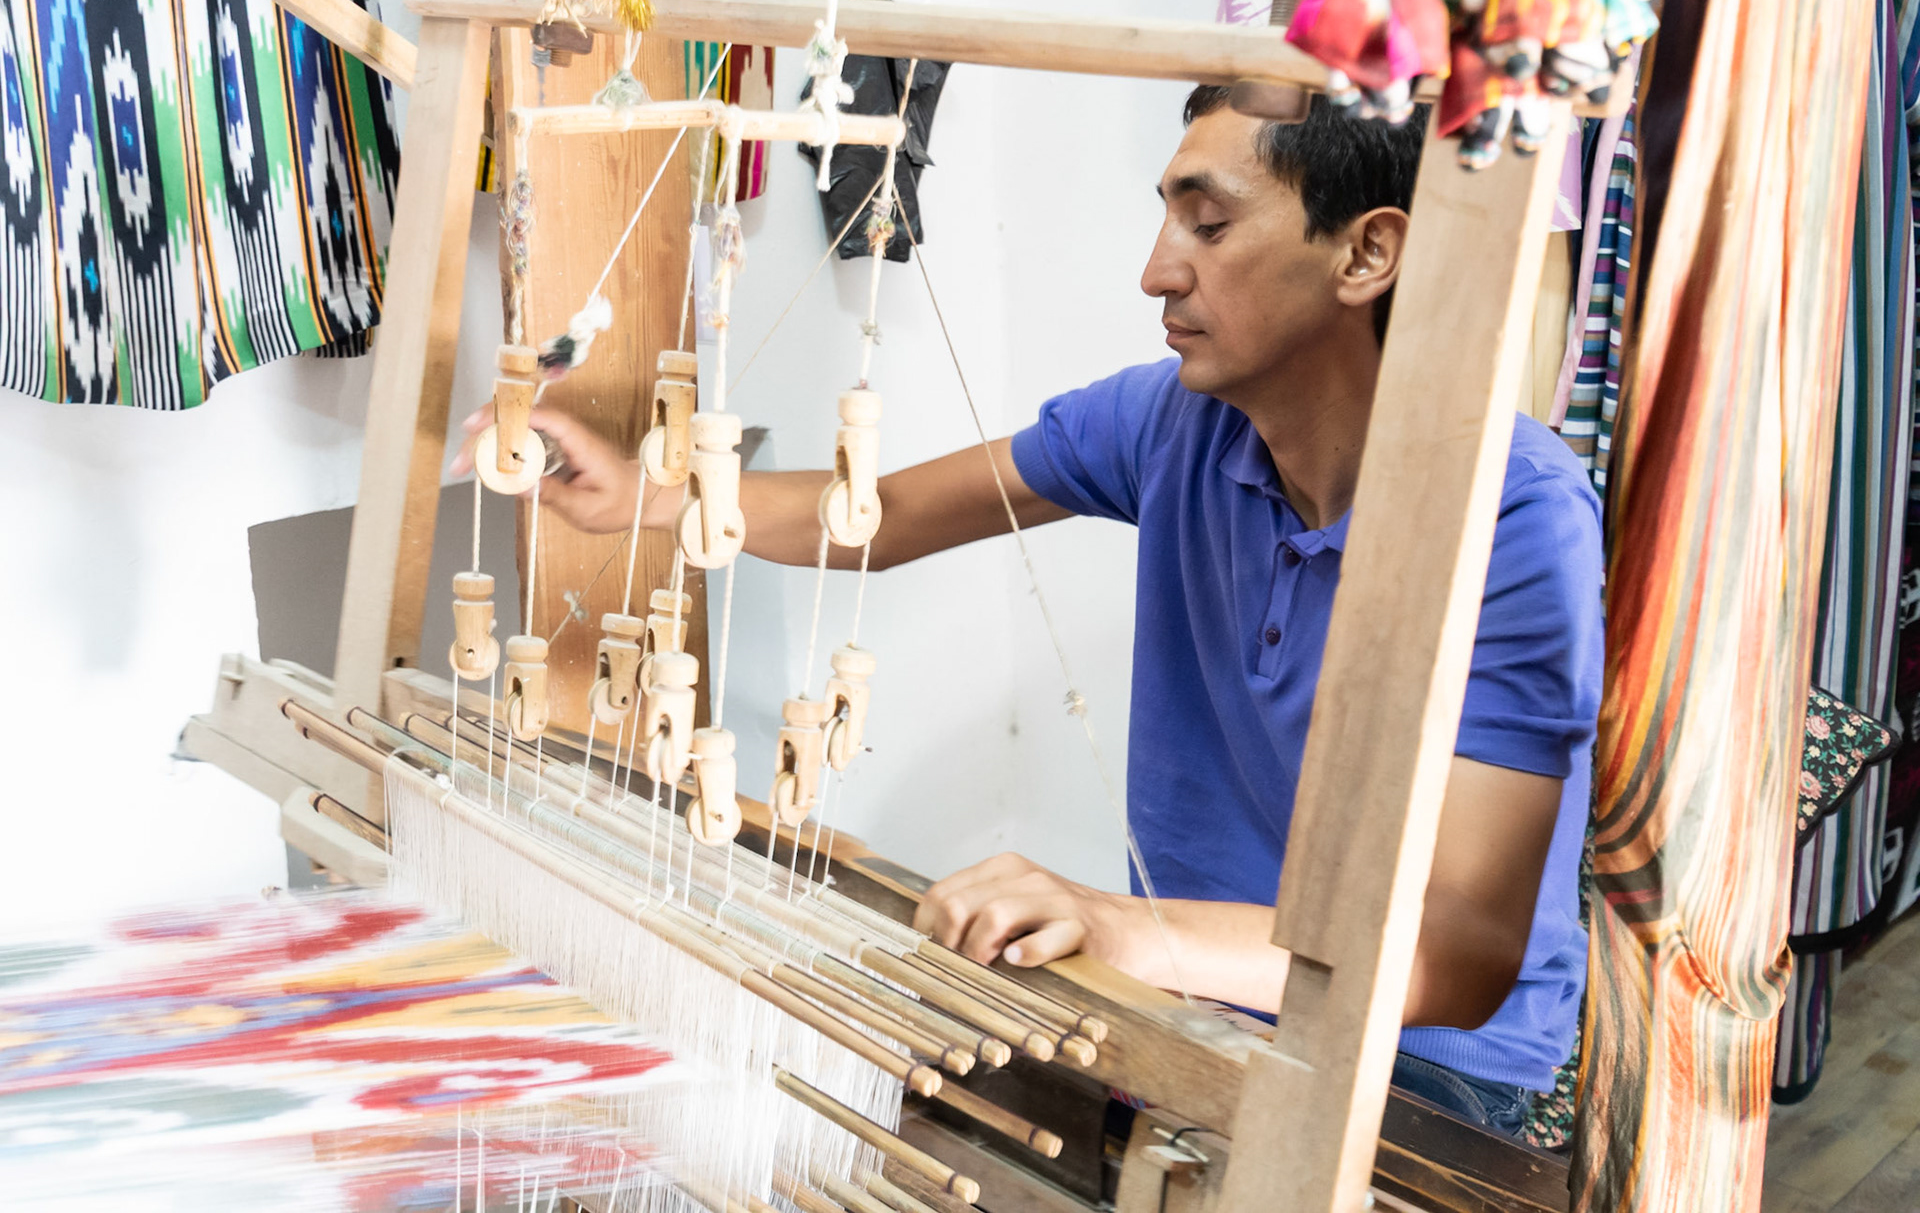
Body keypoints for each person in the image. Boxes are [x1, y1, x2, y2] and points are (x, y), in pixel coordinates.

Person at [452, 90, 1604, 1138]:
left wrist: (1121, 925)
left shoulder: (1512, 517)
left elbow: (1457, 952)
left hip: (1441, 1069)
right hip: (1201, 1001)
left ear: (1367, 251)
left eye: (1208, 227)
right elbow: (888, 514)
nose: (1158, 272)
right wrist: (645, 496)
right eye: (1166, 220)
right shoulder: (1171, 424)